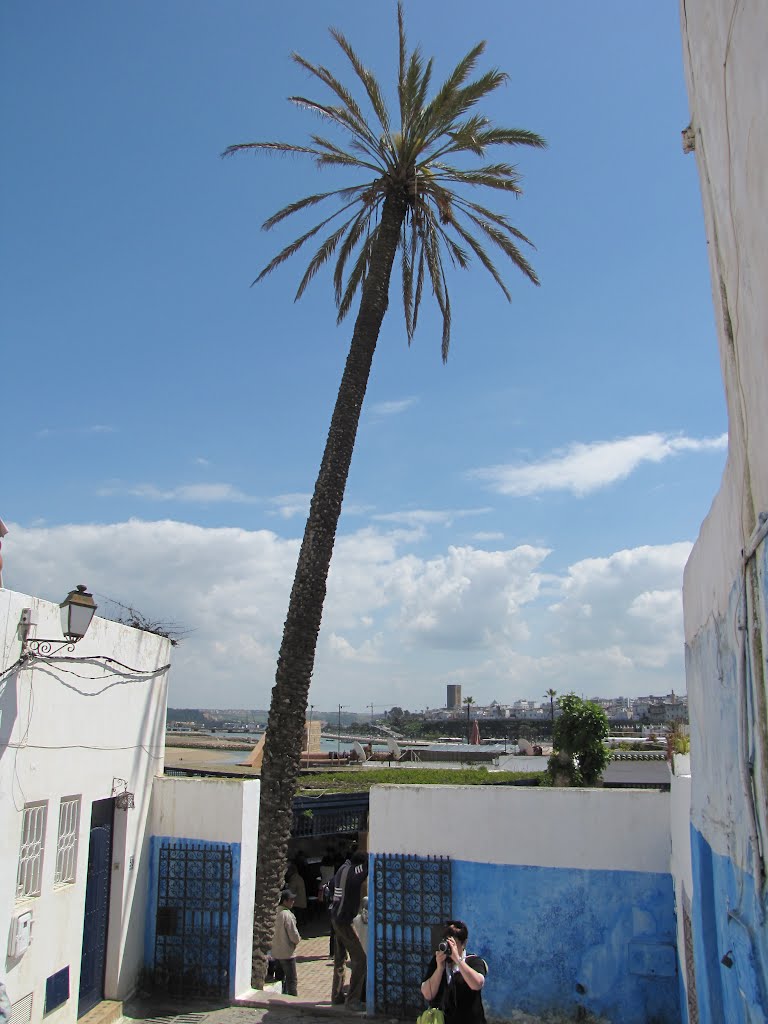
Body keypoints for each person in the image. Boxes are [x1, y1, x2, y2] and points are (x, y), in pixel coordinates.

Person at [420, 920, 487, 1024]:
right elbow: (428, 994)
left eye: (453, 944)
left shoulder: (474, 961)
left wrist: (458, 960)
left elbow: (477, 984)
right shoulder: (438, 961)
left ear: (464, 943)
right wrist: (439, 969)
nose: (449, 948)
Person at [330, 850, 368, 1009]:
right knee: (360, 960)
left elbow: (332, 885)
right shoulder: (353, 870)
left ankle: (337, 995)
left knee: (339, 959)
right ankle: (352, 1000)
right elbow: (365, 867)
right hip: (344, 921)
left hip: (335, 917)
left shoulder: (342, 869)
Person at [272, 889, 301, 997]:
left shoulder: (274, 912)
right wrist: (297, 940)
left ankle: (280, 997)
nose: (293, 901)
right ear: (284, 901)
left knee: (279, 979)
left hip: (276, 952)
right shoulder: (287, 915)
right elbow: (293, 934)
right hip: (287, 953)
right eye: (291, 899)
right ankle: (293, 999)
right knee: (291, 980)